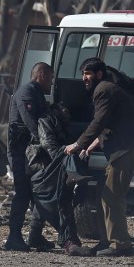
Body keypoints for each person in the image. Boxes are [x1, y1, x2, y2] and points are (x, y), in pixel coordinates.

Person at [65, 58, 134, 257]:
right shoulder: (106, 89)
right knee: (106, 194)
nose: (84, 78)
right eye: (83, 73)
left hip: (127, 147)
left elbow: (99, 121)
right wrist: (94, 144)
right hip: (124, 147)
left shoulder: (103, 89)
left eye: (88, 73)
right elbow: (111, 122)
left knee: (112, 196)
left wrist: (78, 144)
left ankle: (120, 245)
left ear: (99, 74)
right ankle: (108, 241)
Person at [27, 103, 91, 256]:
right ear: (55, 109)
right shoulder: (46, 120)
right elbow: (50, 146)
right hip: (43, 168)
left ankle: (34, 236)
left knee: (43, 203)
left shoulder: (61, 124)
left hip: (48, 169)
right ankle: (69, 242)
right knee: (61, 202)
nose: (67, 112)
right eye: (64, 109)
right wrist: (67, 153)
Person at [3, 62, 55, 252]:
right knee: (23, 193)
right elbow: (32, 123)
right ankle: (13, 238)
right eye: (49, 77)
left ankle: (34, 235)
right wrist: (50, 146)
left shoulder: (36, 92)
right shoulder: (27, 92)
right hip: (21, 152)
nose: (51, 82)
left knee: (39, 191)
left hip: (31, 152)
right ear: (40, 74)